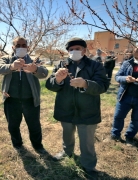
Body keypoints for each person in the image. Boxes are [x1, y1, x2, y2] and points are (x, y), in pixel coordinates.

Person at [45, 37, 109, 180]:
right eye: (71, 49)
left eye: (77, 49)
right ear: (67, 51)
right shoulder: (62, 64)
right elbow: (50, 85)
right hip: (66, 108)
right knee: (67, 133)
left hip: (87, 110)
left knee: (86, 140)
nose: (74, 51)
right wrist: (57, 80)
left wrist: (86, 83)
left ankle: (89, 166)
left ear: (84, 50)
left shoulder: (95, 65)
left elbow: (103, 86)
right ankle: (67, 152)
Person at [0, 37, 49, 155]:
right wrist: (11, 66)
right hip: (11, 100)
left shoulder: (34, 60)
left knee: (34, 125)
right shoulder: (6, 59)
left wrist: (35, 69)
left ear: (28, 47)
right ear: (13, 47)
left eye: (24, 45)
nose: (21, 48)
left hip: (30, 100)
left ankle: (38, 146)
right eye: (18, 45)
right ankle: (17, 145)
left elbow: (44, 73)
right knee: (13, 125)